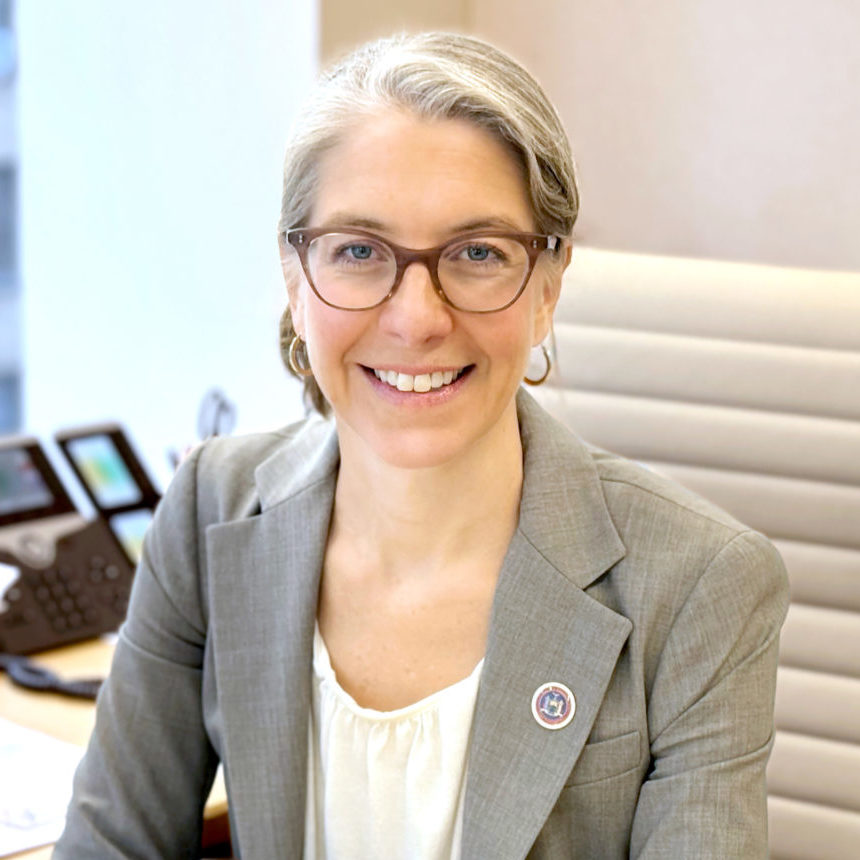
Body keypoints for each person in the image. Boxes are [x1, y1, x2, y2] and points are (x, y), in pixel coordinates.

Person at [55, 32, 788, 859]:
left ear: (547, 288)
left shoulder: (698, 584)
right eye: (360, 252)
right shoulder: (210, 510)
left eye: (478, 254)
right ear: (296, 281)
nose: (417, 319)